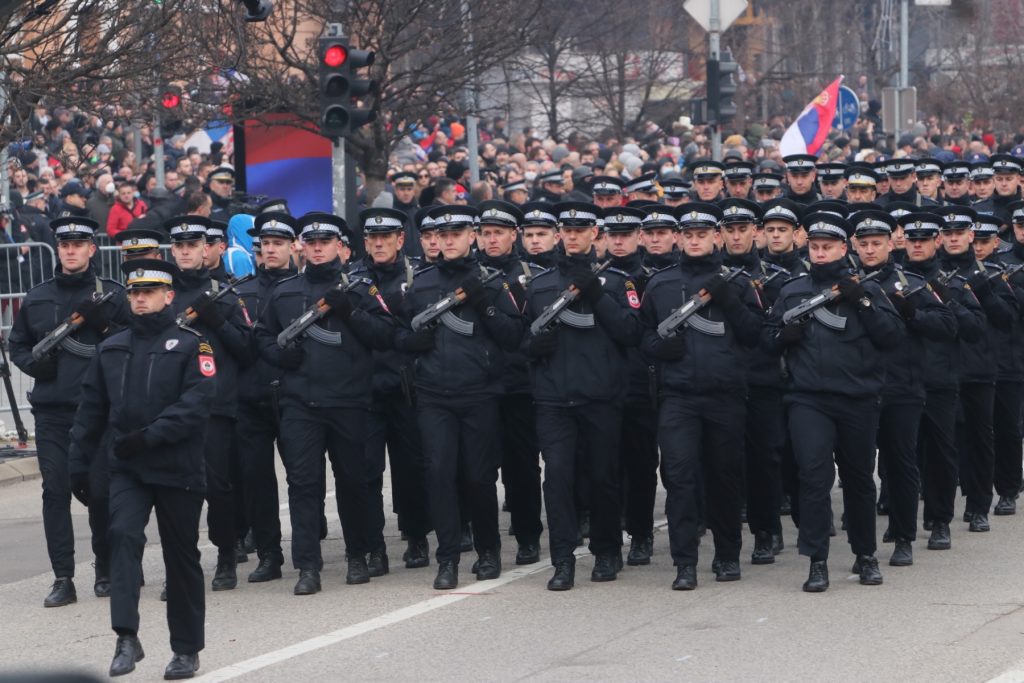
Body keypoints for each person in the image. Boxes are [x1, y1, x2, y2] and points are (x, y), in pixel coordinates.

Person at [68, 258, 215, 679]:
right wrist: (78, 463)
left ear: (168, 296)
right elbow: (91, 409)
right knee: (122, 537)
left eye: (148, 292)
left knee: (180, 557)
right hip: (129, 467)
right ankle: (127, 637)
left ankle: (186, 649)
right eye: (134, 293)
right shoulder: (112, 347)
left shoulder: (193, 345)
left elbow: (197, 403)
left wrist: (149, 436)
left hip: (177, 467)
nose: (140, 299)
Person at [762, 212, 904, 592]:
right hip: (808, 399)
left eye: (828, 247)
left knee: (858, 479)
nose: (821, 254)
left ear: (845, 248)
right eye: (815, 247)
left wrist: (864, 304)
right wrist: (783, 337)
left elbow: (892, 338)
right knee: (813, 477)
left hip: (858, 397)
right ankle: (817, 560)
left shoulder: (868, 289)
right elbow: (766, 340)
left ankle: (865, 555)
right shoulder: (793, 291)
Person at [256, 212, 395, 595]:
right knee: (303, 484)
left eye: (325, 242)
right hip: (301, 402)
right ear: (301, 245)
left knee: (354, 482)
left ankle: (357, 554)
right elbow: (263, 338)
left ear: (339, 246)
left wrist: (350, 310)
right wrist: (280, 358)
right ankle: (308, 566)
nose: (318, 249)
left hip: (350, 401)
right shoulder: (284, 291)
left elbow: (386, 335)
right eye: (311, 242)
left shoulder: (360, 288)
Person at [394, 205, 523, 590]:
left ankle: (488, 550)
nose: (447, 241)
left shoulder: (493, 281)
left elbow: (513, 337)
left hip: (479, 392)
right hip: (434, 394)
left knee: (479, 478)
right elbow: (398, 337)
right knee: (438, 475)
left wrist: (483, 302)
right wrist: (412, 343)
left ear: (472, 237)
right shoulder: (420, 284)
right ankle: (447, 557)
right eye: (441, 235)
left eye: (456, 234)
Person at [9, 216, 130, 607]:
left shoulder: (111, 295)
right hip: (52, 413)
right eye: (65, 245)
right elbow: (19, 345)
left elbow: (134, 343)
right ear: (58, 249)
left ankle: (106, 565)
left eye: (79, 244)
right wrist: (34, 364)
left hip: (96, 412)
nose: (71, 251)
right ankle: (63, 576)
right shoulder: (39, 296)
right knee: (55, 492)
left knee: (100, 491)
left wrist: (106, 329)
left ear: (92, 249)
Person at [641, 202, 763, 589]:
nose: (695, 241)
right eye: (688, 235)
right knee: (679, 478)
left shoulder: (738, 283)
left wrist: (728, 299)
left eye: (702, 235)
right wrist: (659, 349)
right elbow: (641, 335)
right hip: (678, 396)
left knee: (724, 477)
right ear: (679, 238)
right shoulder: (660, 284)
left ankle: (727, 555)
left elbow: (755, 335)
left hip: (725, 394)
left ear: (716, 237)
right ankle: (685, 562)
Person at [522, 201, 643, 590]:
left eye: (581, 230)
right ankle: (562, 559)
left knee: (603, 478)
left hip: (600, 396)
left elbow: (629, 332)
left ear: (595, 234)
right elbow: (520, 340)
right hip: (554, 399)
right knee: (557, 479)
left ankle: (607, 551)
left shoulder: (615, 283)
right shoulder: (539, 286)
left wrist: (598, 296)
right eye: (567, 230)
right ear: (559, 234)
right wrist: (534, 346)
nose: (573, 236)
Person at [850, 209, 956, 567]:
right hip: (858, 386)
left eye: (876, 243)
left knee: (901, 462)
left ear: (890, 244)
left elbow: (946, 324)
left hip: (902, 385)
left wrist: (912, 313)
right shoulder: (845, 281)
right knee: (860, 467)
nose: (869, 250)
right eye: (863, 244)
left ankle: (904, 536)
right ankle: (862, 546)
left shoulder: (908, 282)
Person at [166, 215, 254, 591]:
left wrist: (217, 319)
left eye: (193, 245)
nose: (186, 251)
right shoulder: (160, 293)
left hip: (214, 406)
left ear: (206, 249)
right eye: (179, 246)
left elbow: (247, 349)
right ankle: (181, 568)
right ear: (172, 250)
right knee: (173, 493)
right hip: (169, 407)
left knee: (217, 487)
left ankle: (225, 555)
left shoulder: (226, 293)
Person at [347, 207, 432, 573]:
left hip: (405, 384)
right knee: (365, 471)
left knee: (411, 467)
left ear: (400, 239)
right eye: (372, 238)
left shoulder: (416, 275)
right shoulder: (351, 279)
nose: (378, 244)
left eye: (385, 237)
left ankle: (416, 536)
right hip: (365, 386)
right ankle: (373, 546)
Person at [902, 210, 984, 550]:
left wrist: (947, 299)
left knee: (940, 453)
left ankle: (939, 520)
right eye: (912, 240)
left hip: (940, 379)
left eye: (924, 240)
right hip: (902, 381)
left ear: (936, 242)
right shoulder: (895, 279)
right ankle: (901, 523)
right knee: (901, 455)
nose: (917, 245)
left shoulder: (952, 281)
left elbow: (975, 329)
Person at [475, 200, 546, 565]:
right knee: (481, 467)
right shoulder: (468, 275)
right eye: (485, 233)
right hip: (478, 386)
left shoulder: (529, 276)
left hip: (519, 386)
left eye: (498, 233)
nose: (491, 240)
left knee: (522, 467)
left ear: (513, 235)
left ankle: (527, 534)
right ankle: (483, 540)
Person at [937, 206, 1016, 532]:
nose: (954, 239)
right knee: (946, 441)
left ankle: (979, 503)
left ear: (971, 236)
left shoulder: (992, 273)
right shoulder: (931, 274)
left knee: (981, 437)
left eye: (960, 234)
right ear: (940, 238)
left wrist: (983, 288)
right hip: (943, 369)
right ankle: (948, 503)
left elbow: (1005, 319)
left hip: (980, 367)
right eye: (949, 234)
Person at [235, 212, 298, 584]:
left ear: (292, 246)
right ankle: (269, 554)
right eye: (264, 245)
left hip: (292, 395)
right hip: (252, 397)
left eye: (277, 243)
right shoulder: (241, 291)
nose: (270, 250)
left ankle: (307, 545)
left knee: (302, 478)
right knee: (257, 481)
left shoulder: (302, 287)